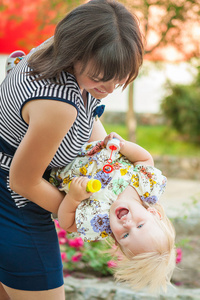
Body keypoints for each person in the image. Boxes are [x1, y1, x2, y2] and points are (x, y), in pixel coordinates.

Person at [0, 0, 144, 299]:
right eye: (100, 78)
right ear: (76, 51)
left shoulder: (56, 50)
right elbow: (22, 181)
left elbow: (89, 122)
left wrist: (112, 162)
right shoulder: (57, 104)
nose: (110, 88)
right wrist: (89, 215)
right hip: (13, 202)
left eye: (120, 78)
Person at [50, 132, 176, 292]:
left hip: (58, 161)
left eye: (125, 235)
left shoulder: (98, 222)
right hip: (89, 141)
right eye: (140, 225)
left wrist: (74, 197)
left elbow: (67, 223)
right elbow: (144, 159)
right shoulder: (145, 187)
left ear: (116, 241)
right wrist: (123, 145)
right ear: (153, 213)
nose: (127, 224)